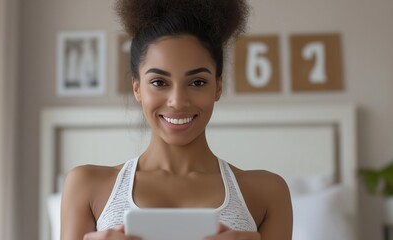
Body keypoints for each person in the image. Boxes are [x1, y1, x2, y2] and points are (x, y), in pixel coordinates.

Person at [60, 0, 293, 239]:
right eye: (159, 83)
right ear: (137, 88)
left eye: (197, 82)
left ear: (218, 87)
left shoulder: (268, 193)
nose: (178, 101)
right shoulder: (85, 186)